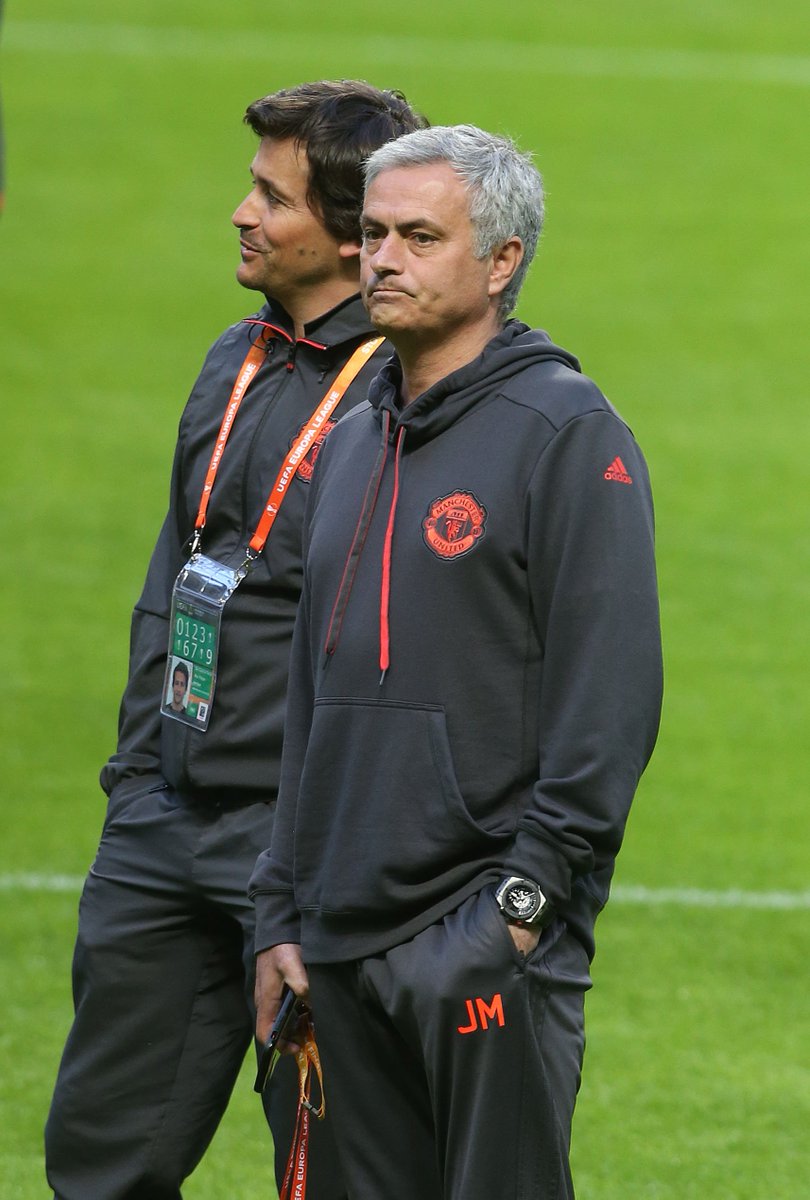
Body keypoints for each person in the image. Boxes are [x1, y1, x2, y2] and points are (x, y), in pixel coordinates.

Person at [250, 124, 663, 1200]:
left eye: (420, 236)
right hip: (331, 947)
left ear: (501, 261)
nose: (381, 258)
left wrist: (520, 909)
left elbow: (610, 696)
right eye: (374, 234)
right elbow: (307, 694)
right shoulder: (350, 438)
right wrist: (277, 913)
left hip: (478, 939)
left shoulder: (566, 432)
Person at [45, 80, 427, 1200]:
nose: (240, 213)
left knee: (337, 1170)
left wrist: (330, 852)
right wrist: (135, 777)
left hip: (302, 849)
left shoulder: (404, 399)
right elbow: (177, 573)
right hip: (163, 824)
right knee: (102, 1162)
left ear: (355, 235)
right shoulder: (236, 356)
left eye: (273, 195)